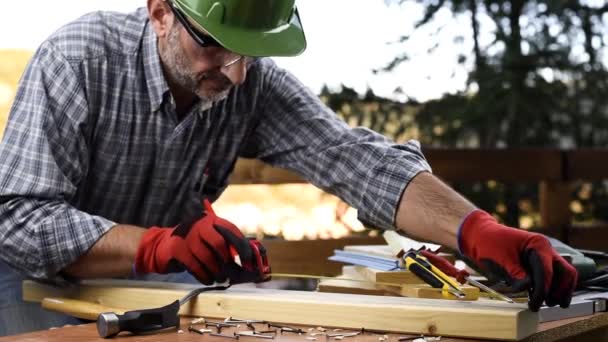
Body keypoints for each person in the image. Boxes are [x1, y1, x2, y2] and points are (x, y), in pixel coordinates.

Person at [0, 0, 577, 336]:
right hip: (29, 278)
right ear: (159, 12)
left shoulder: (245, 81)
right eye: (217, 50)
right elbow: (18, 219)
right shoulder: (78, 58)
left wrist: (476, 228)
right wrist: (158, 246)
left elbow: (352, 159)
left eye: (249, 53)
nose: (236, 76)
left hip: (137, 282)